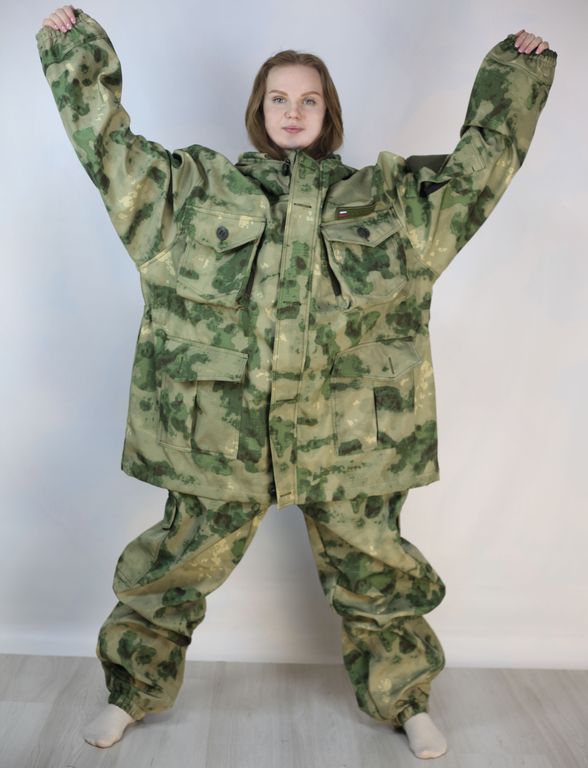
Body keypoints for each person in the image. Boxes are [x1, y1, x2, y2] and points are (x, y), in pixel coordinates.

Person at [37, 5, 556, 759]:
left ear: (328, 111)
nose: (293, 111)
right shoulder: (192, 191)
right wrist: (74, 49)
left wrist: (517, 73)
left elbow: (481, 171)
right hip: (222, 437)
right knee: (172, 568)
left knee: (379, 574)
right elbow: (107, 146)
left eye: (309, 98)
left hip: (350, 440)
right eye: (278, 97)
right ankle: (130, 692)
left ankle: (405, 700)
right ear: (259, 109)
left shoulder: (390, 201)